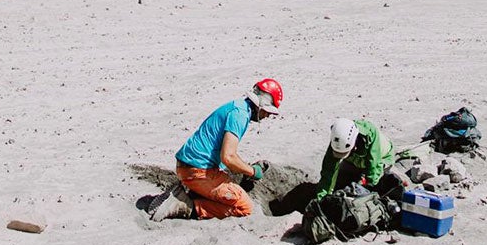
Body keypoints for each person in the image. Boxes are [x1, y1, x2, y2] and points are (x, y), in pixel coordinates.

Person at [149, 78, 282, 221]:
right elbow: (229, 157)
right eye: (268, 111)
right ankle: (185, 206)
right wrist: (252, 171)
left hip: (189, 165)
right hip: (196, 170)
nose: (268, 116)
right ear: (260, 105)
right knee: (245, 207)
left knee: (227, 186)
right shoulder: (240, 115)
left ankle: (187, 191)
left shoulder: (238, 107)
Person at [315, 116, 400, 200]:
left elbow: (374, 167)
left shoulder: (370, 135)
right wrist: (322, 197)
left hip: (381, 158)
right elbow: (329, 169)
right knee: (340, 183)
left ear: (354, 144)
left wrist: (368, 188)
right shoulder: (338, 139)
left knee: (361, 190)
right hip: (356, 161)